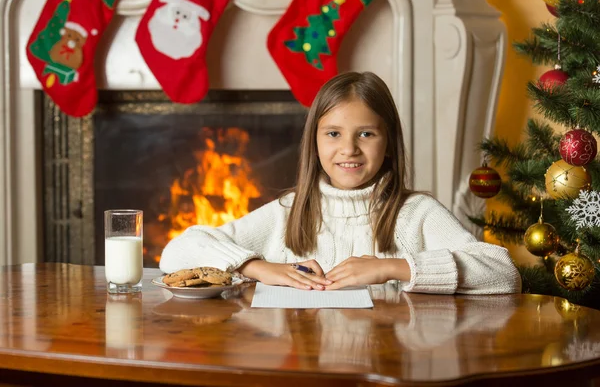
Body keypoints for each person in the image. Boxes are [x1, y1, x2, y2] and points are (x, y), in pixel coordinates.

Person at [160, 71, 521, 294]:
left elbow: (504, 274)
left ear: (389, 141)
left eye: (365, 133)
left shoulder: (416, 214)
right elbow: (176, 251)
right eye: (333, 133)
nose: (349, 148)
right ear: (314, 143)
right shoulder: (289, 212)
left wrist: (391, 268)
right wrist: (259, 268)